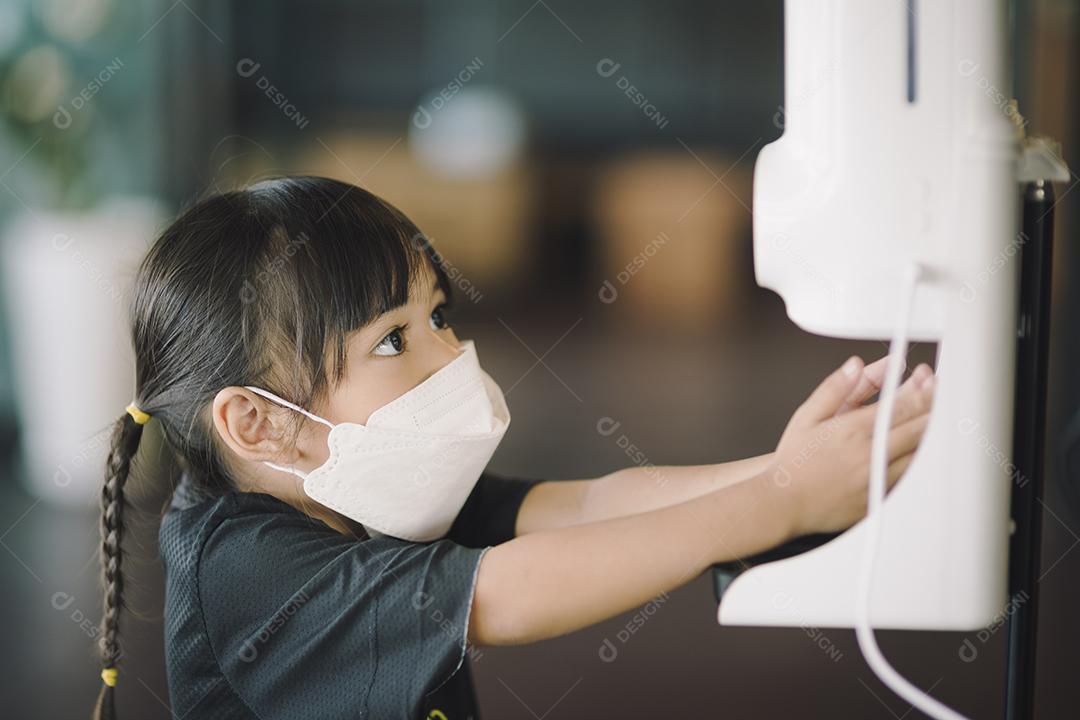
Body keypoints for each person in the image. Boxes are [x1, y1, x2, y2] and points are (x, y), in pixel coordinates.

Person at [92, 175, 935, 719]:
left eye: (438, 317)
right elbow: (504, 594)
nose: (451, 353)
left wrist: (792, 467)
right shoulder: (244, 566)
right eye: (394, 340)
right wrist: (779, 500)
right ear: (258, 422)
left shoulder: (366, 485)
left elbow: (583, 506)